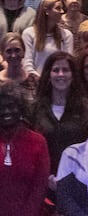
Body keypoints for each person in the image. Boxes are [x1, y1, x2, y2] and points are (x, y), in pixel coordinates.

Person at [32, 51, 88, 199]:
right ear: (48, 75)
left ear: (73, 75)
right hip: (42, 185)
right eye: (56, 70)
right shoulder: (34, 109)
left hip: (78, 185)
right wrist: (46, 177)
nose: (61, 74)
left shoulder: (86, 109)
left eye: (66, 70)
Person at [0, 82, 50, 215]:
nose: (6, 112)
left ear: (21, 108)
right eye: (1, 107)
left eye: (11, 106)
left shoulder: (38, 141)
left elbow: (39, 186)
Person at [22, 0, 73, 74]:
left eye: (62, 8)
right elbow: (27, 64)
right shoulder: (28, 34)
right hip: (35, 82)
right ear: (47, 11)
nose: (62, 11)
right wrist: (40, 80)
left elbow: (68, 63)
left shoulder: (66, 35)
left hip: (59, 80)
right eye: (58, 8)